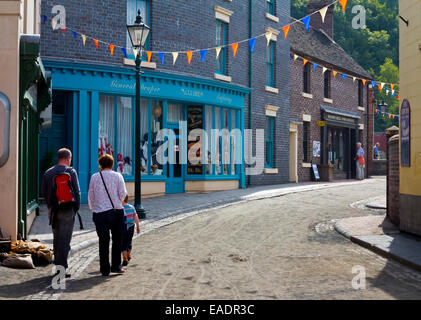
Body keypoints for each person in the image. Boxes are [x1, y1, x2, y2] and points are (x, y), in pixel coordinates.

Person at [41, 148, 80, 278]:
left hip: (53, 210)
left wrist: (51, 206)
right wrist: (75, 208)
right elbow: (77, 192)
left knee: (57, 239)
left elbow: (44, 192)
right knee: (65, 240)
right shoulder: (71, 171)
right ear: (68, 158)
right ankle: (61, 270)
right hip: (68, 210)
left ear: (58, 158)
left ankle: (58, 266)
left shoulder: (48, 173)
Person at [88, 154, 127, 276]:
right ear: (112, 164)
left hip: (99, 213)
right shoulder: (117, 176)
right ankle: (116, 266)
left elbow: (91, 196)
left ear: (100, 164)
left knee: (103, 242)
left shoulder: (94, 177)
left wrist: (94, 208)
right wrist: (117, 201)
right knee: (117, 240)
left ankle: (104, 269)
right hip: (115, 211)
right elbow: (123, 194)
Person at [121, 195, 140, 266]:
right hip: (131, 227)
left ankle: (124, 258)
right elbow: (136, 217)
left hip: (123, 228)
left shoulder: (120, 209)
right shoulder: (132, 207)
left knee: (123, 242)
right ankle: (128, 254)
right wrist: (138, 226)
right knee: (129, 241)